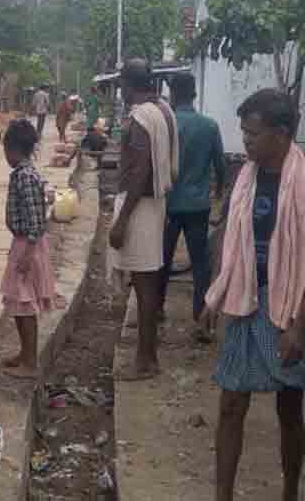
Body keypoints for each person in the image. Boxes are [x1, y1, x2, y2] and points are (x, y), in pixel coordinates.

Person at [206, 89, 305, 501]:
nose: (245, 140)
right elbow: (226, 235)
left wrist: (298, 327)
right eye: (243, 132)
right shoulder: (244, 177)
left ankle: (290, 492)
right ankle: (222, 495)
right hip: (245, 300)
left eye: (252, 133)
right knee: (230, 404)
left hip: (288, 306)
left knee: (289, 409)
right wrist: (216, 292)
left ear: (281, 134)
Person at [108, 58, 178, 381]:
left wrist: (122, 220)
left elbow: (139, 172)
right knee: (146, 282)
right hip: (155, 204)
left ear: (126, 84)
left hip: (140, 208)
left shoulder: (140, 118)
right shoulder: (163, 111)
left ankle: (146, 360)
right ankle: (146, 356)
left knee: (145, 285)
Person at [161, 73, 227, 342]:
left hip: (168, 204)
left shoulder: (167, 125)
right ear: (195, 94)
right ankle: (201, 317)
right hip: (198, 205)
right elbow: (220, 167)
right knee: (201, 264)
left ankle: (155, 309)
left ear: (173, 94)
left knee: (161, 260)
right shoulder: (209, 126)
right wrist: (219, 190)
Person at [1, 119, 57, 378]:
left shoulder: (25, 177)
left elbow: (37, 220)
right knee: (18, 303)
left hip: (28, 245)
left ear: (13, 149)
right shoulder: (27, 174)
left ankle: (30, 361)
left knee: (25, 305)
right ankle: (24, 353)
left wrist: (26, 254)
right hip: (23, 243)